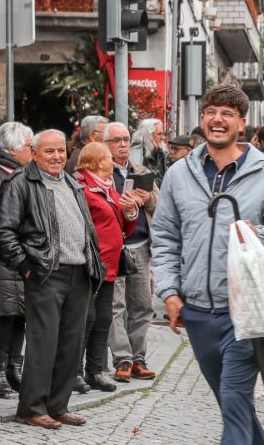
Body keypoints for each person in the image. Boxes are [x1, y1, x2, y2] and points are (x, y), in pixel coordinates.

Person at [152, 85, 264, 445]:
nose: (217, 119)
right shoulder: (179, 174)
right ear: (202, 117)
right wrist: (170, 293)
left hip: (245, 313)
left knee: (235, 398)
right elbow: (165, 238)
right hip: (197, 314)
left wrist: (257, 234)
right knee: (233, 405)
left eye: (227, 113)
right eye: (211, 112)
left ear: (241, 123)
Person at [0, 129, 103, 429]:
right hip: (45, 272)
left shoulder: (72, 183)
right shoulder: (20, 182)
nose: (57, 157)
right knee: (43, 343)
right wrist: (25, 267)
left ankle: (57, 405)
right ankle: (31, 407)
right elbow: (3, 233)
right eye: (49, 151)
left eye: (61, 151)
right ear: (33, 153)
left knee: (71, 343)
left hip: (79, 272)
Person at [74, 142, 140, 392]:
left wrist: (130, 211)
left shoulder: (109, 189)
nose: (113, 161)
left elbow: (124, 228)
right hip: (90, 265)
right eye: (109, 158)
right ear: (98, 161)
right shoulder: (82, 188)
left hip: (109, 266)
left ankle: (94, 371)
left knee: (103, 319)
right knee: (86, 319)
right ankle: (74, 372)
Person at [104, 122, 160, 384]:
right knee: (115, 307)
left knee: (143, 306)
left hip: (141, 246)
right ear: (106, 145)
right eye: (116, 140)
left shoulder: (141, 171)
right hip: (115, 248)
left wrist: (147, 198)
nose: (123, 145)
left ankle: (138, 359)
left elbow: (158, 205)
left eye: (126, 139)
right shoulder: (101, 173)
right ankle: (122, 359)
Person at [0, 121, 35, 396]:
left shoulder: (26, 174)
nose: (33, 151)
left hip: (23, 252)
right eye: (29, 146)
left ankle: (14, 367)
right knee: (5, 313)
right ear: (13, 150)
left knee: (21, 314)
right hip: (1, 253)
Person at [129, 118, 169, 182]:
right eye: (159, 134)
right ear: (148, 135)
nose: (162, 137)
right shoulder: (136, 152)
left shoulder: (162, 153)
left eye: (162, 134)